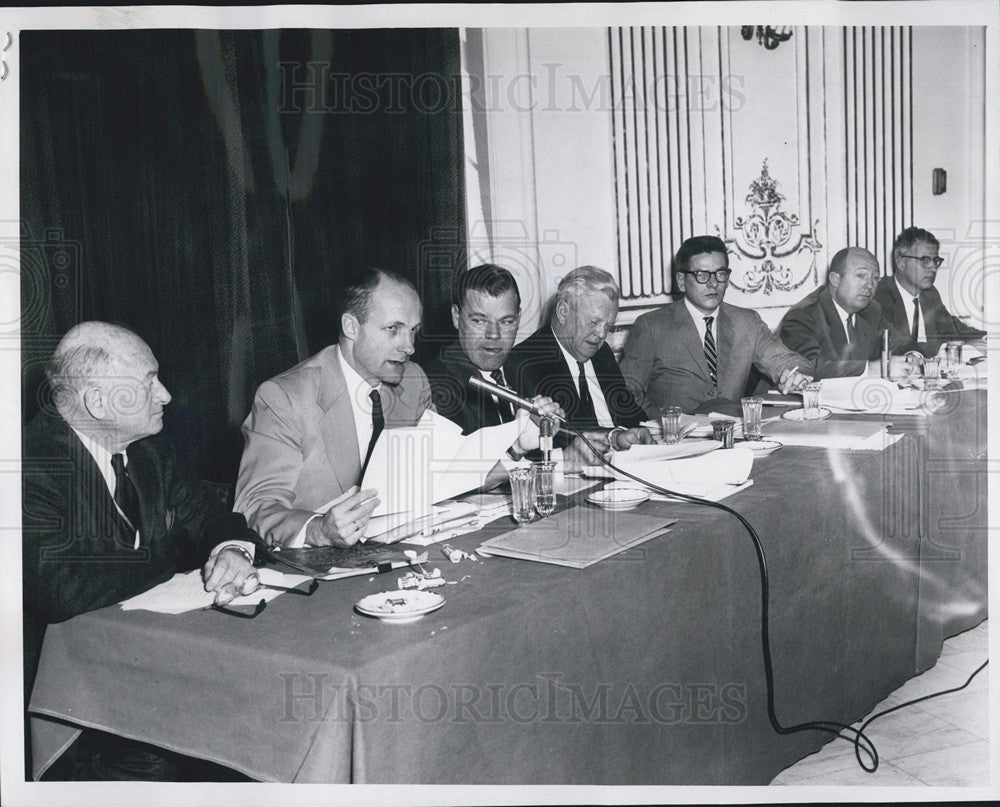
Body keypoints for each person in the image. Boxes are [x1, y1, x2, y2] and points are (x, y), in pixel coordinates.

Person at [22, 322, 263, 780]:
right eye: (149, 382)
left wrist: (232, 549)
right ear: (97, 401)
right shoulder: (30, 466)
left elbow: (208, 516)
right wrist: (173, 551)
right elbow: (62, 587)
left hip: (151, 673)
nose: (167, 395)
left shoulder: (151, 449)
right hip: (71, 711)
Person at [235, 267, 555, 550]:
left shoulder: (411, 381)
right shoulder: (284, 397)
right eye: (394, 330)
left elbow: (448, 475)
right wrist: (319, 529)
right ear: (351, 327)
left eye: (413, 330)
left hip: (393, 557)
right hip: (310, 568)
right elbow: (254, 508)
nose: (410, 346)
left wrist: (518, 445)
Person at [423, 263, 615, 466]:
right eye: (479, 321)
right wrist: (564, 460)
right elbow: (463, 475)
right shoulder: (434, 382)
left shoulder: (520, 367)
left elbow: (538, 451)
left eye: (506, 322)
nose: (494, 335)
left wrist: (569, 452)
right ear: (456, 317)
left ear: (518, 318)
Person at [620, 235, 811, 416]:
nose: (713, 284)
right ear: (681, 281)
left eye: (720, 274)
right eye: (701, 275)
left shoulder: (747, 322)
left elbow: (791, 362)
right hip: (675, 441)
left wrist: (797, 375)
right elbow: (627, 393)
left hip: (733, 438)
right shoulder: (651, 327)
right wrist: (665, 424)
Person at [504, 265, 653, 449]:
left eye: (609, 326)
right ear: (563, 312)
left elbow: (630, 414)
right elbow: (560, 436)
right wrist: (615, 437)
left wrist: (644, 431)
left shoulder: (602, 353)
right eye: (594, 322)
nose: (601, 334)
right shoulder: (525, 361)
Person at [779, 247, 919, 378]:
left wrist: (912, 356)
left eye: (875, 277)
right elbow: (807, 368)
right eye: (860, 275)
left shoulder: (871, 309)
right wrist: (871, 369)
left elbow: (898, 342)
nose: (870, 285)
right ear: (835, 279)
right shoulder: (802, 316)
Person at [874, 226, 986, 356]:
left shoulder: (930, 294)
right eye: (925, 260)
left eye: (935, 260)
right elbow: (901, 347)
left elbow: (953, 328)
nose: (933, 268)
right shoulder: (880, 295)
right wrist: (961, 347)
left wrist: (987, 339)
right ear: (901, 262)